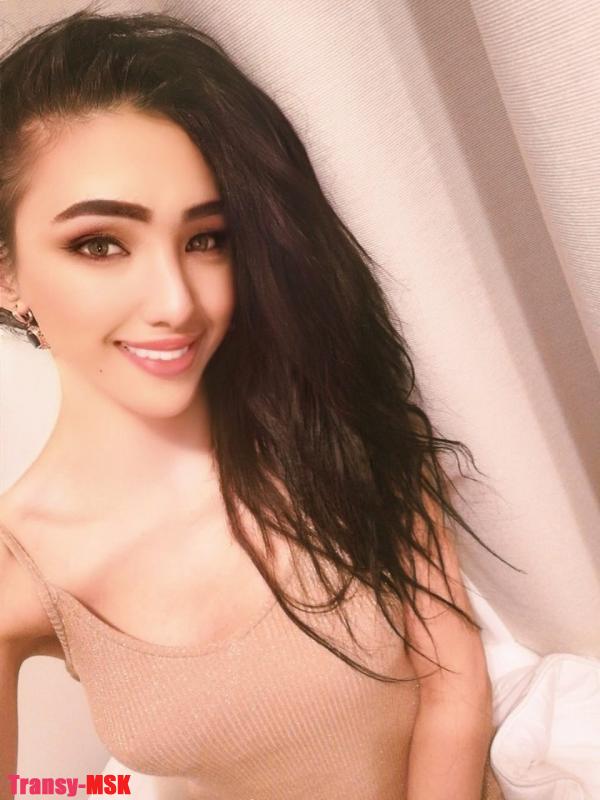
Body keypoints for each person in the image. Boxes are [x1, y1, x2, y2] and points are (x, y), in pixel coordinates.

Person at [0, 6, 515, 798]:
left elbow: (455, 696)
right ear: (7, 274)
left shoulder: (332, 427)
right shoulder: (17, 566)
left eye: (206, 239)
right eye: (100, 244)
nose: (177, 301)